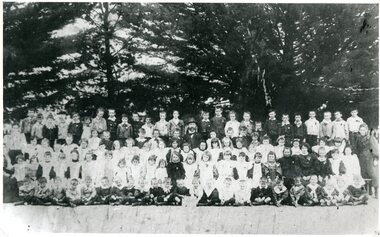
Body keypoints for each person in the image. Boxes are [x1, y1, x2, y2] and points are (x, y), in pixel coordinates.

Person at [355, 123, 376, 195]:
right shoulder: (358, 137)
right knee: (362, 172)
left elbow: (372, 148)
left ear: (366, 130)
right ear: (359, 130)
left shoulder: (370, 137)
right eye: (361, 130)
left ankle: (370, 189)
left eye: (364, 130)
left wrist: (370, 154)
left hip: (369, 157)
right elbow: (356, 147)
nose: (362, 131)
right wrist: (357, 155)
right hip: (361, 157)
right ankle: (363, 189)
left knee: (369, 172)